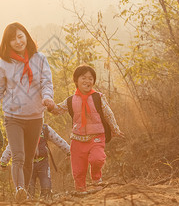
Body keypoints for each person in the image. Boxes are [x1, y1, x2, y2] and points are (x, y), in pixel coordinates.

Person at [0, 22, 55, 202]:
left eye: (20, 36)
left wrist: (47, 97)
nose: (18, 41)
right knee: (18, 157)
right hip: (13, 117)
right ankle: (20, 190)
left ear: (26, 36)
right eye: (13, 39)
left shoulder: (40, 59)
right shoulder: (4, 64)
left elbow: (47, 82)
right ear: (7, 43)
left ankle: (25, 195)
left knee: (29, 158)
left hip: (35, 116)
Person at [50, 64, 124, 192]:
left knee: (97, 159)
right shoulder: (70, 100)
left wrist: (115, 129)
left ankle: (96, 179)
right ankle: (81, 190)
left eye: (90, 78)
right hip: (77, 139)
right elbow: (57, 110)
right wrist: (49, 106)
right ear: (76, 81)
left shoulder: (98, 97)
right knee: (78, 168)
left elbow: (108, 114)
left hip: (96, 136)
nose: (87, 81)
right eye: (83, 78)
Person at [0, 123, 70, 199]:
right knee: (29, 188)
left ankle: (45, 203)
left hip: (43, 162)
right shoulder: (21, 129)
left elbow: (58, 140)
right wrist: (4, 161)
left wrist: (69, 151)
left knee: (46, 186)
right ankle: (28, 204)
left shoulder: (45, 129)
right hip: (28, 163)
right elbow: (12, 146)